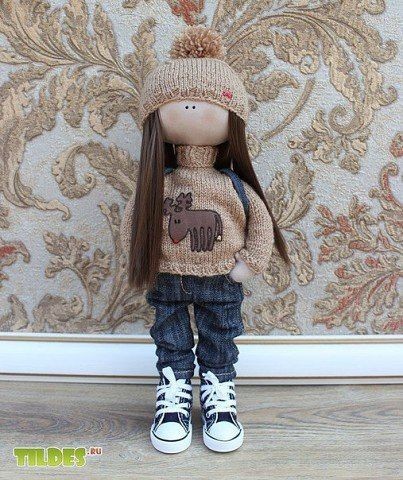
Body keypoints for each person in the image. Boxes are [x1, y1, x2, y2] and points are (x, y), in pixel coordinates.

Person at [120, 25, 288, 454]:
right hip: (167, 277)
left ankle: (219, 393)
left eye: (208, 101)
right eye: (179, 101)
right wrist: (137, 259)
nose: (193, 107)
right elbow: (133, 221)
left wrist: (250, 261)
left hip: (221, 278)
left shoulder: (232, 185)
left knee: (220, 338)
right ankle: (173, 392)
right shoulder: (158, 186)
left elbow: (259, 219)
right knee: (170, 338)